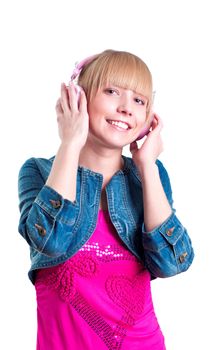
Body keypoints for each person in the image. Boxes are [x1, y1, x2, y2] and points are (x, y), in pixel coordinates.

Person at [18, 49, 194, 350]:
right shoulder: (39, 171)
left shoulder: (149, 176)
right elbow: (50, 241)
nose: (127, 108)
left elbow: (171, 263)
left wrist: (147, 166)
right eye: (112, 91)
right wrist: (70, 142)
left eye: (139, 100)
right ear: (78, 98)